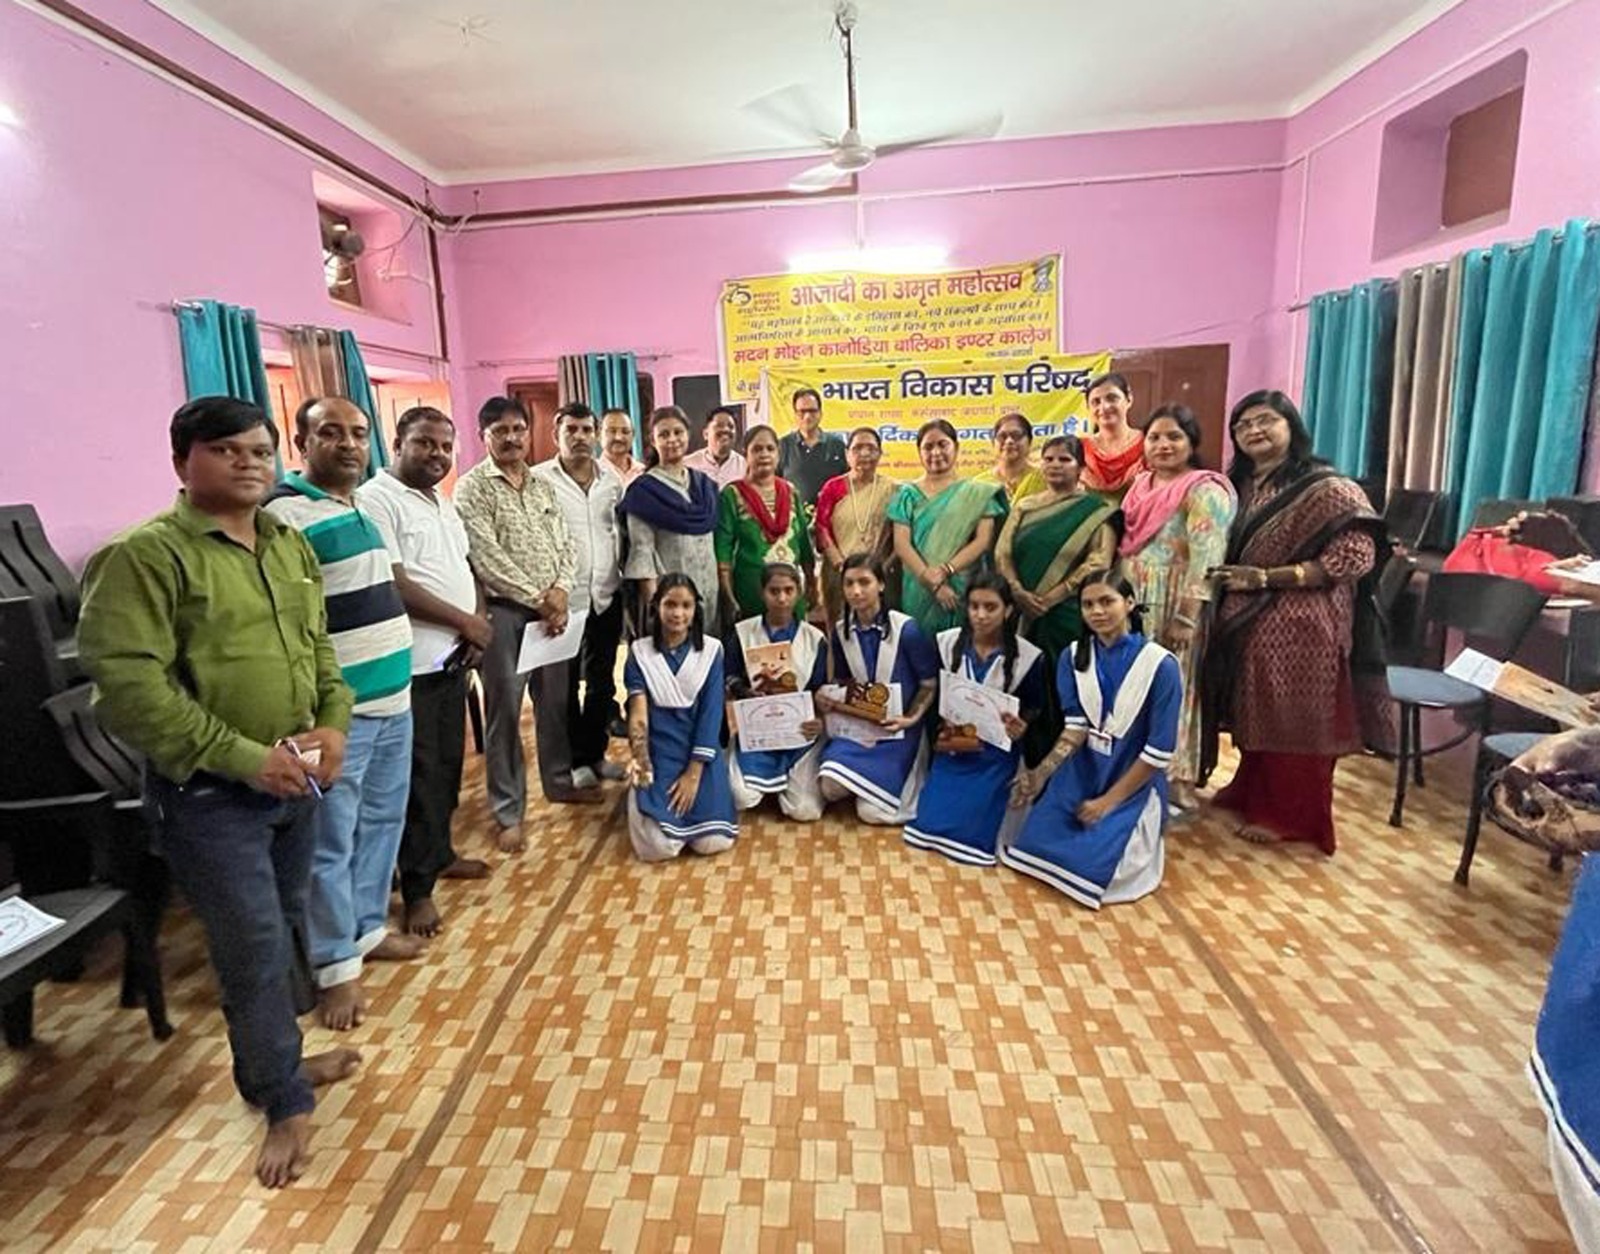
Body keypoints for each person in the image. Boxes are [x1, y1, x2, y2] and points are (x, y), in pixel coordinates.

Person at [78, 397, 359, 1188]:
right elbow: (129, 692)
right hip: (207, 796)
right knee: (253, 946)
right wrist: (243, 758)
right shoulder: (143, 557)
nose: (249, 463)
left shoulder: (287, 544)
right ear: (182, 462)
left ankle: (277, 1065)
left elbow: (319, 651)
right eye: (227, 450)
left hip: (294, 779)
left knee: (286, 924)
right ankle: (283, 1100)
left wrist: (333, 724)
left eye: (260, 451)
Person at [265, 397, 422, 1032]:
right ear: (301, 442)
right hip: (336, 715)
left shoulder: (356, 505)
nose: (349, 444)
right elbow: (289, 625)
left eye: (359, 433)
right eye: (331, 433)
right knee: (329, 841)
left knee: (381, 823)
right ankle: (335, 968)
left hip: (394, 699)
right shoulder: (283, 516)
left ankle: (366, 929)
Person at [1203, 390, 1380, 854]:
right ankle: (1250, 790)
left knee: (1295, 716)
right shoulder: (1239, 484)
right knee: (1256, 708)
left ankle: (1291, 815)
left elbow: (1355, 557)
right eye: (1243, 425)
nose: (1254, 431)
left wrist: (1268, 578)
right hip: (1246, 614)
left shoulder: (1327, 487)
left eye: (1265, 420)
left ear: (1291, 426)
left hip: (1304, 620)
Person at [355, 406, 493, 939]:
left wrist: (476, 621)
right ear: (397, 444)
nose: (437, 454)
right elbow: (393, 583)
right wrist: (465, 622)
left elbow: (465, 567)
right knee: (416, 779)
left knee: (447, 769)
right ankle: (416, 891)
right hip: (410, 668)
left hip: (451, 660)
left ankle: (440, 854)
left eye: (444, 446)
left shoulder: (441, 500)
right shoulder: (376, 500)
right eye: (424, 443)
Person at [455, 396, 596, 854]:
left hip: (553, 614)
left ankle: (559, 783)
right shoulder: (472, 489)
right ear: (483, 436)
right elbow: (485, 558)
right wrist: (540, 599)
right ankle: (508, 811)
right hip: (505, 614)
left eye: (518, 429)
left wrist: (561, 590)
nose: (512, 438)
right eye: (501, 431)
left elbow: (567, 543)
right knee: (505, 713)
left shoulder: (541, 484)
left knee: (555, 704)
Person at [1002, 570, 1181, 908]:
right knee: (1033, 846)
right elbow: (1075, 728)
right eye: (1088, 605)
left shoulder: (1161, 665)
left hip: (1131, 781)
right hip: (1084, 772)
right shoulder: (1072, 657)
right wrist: (1040, 774)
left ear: (1129, 603)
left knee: (1098, 870)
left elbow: (1158, 752)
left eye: (1106, 601)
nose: (1097, 611)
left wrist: (1107, 802)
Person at [1119, 404, 1236, 811]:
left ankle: (1176, 777)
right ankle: (1130, 774)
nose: (1163, 445)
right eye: (1154, 437)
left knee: (1176, 688)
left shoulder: (1204, 489)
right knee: (1136, 686)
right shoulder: (1140, 485)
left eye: (1174, 436)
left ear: (1191, 442)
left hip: (1176, 602)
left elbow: (1208, 559)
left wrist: (1187, 616)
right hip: (1134, 601)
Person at [903, 573, 1046, 866]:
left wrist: (1021, 726)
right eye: (974, 606)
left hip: (996, 752)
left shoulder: (1028, 657)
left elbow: (1034, 706)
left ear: (1008, 610)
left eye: (990, 607)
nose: (980, 615)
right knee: (928, 825)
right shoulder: (947, 643)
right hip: (954, 745)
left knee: (973, 830)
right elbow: (937, 703)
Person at [533, 402, 627, 790]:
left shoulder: (611, 481)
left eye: (587, 430)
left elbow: (617, 533)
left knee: (603, 683)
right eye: (571, 430)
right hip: (562, 602)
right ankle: (573, 761)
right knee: (565, 685)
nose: (580, 437)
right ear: (557, 434)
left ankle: (595, 754)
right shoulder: (539, 480)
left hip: (606, 594)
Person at [809, 553, 941, 824]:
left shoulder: (906, 630)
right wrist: (829, 697)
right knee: (830, 788)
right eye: (849, 583)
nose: (856, 591)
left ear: (881, 584)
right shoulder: (841, 632)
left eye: (864, 582)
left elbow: (929, 683)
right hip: (860, 726)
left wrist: (910, 718)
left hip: (898, 732)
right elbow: (844, 682)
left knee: (870, 813)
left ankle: (872, 787)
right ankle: (863, 783)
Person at [623, 574, 739, 861]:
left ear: (695, 609)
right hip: (659, 753)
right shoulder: (640, 653)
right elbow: (638, 714)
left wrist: (693, 774)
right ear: (656, 607)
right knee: (658, 848)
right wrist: (642, 761)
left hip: (699, 753)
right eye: (670, 604)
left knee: (713, 842)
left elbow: (711, 715)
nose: (678, 613)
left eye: (686, 606)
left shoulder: (711, 651)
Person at [994, 434, 1120, 663]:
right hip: (1019, 609)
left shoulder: (1097, 510)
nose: (1055, 465)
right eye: (1048, 459)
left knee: (1066, 673)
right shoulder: (1024, 507)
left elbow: (1099, 562)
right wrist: (1017, 591)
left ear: (1081, 468)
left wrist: (1051, 598)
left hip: (1067, 614)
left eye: (1064, 459)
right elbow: (1003, 553)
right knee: (1021, 674)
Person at [726, 562, 828, 817]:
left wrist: (820, 720)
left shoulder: (814, 639)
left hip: (799, 735)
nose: (781, 598)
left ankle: (789, 782)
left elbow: (820, 690)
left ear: (799, 593)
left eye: (788, 590)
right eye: (774, 591)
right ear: (762, 593)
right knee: (741, 796)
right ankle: (760, 779)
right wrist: (745, 692)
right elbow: (729, 676)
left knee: (805, 811)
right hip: (757, 732)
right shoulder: (743, 633)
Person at [888, 419, 1007, 635]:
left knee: (958, 645)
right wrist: (930, 581)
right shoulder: (907, 494)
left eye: (942, 444)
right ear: (919, 452)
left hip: (959, 585)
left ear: (956, 447)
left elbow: (983, 540)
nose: (936, 452)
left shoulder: (977, 493)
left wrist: (946, 570)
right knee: (917, 645)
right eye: (928, 447)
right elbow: (901, 543)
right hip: (918, 586)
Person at [620, 405, 722, 627]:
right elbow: (642, 555)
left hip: (709, 594)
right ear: (653, 441)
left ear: (688, 435)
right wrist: (656, 611)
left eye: (678, 432)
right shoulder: (644, 492)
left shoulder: (706, 486)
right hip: (670, 603)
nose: (672, 439)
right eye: (664, 434)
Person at [716, 424, 817, 622]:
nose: (764, 454)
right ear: (745, 454)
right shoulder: (732, 495)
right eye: (757, 449)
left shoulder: (790, 491)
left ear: (778, 454)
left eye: (770, 449)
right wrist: (727, 595)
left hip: (790, 592)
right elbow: (723, 551)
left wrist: (811, 582)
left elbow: (803, 542)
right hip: (751, 591)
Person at [814, 426, 898, 624]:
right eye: (858, 448)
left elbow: (899, 534)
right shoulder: (833, 487)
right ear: (847, 454)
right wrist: (840, 564)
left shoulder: (893, 490)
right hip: (838, 573)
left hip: (879, 572)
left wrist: (881, 567)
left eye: (871, 448)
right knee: (841, 629)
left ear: (880, 454)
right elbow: (821, 528)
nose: (865, 453)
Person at [776, 387, 848, 515]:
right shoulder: (783, 446)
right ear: (795, 414)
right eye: (802, 412)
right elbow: (772, 485)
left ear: (820, 413)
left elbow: (848, 484)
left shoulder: (837, 446)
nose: (807, 416)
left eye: (812, 411)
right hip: (795, 521)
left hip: (831, 519)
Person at [1080, 372, 1146, 501]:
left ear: (1129, 399)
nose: (1104, 407)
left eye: (1112, 398)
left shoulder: (1149, 444)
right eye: (1096, 402)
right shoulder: (1079, 449)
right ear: (1088, 407)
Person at [975, 412, 1046, 505]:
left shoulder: (1044, 478)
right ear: (993, 443)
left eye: (1016, 435)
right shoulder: (979, 484)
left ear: (1030, 442)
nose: (1009, 441)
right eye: (1002, 436)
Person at [684, 405, 747, 488]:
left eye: (731, 426)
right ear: (705, 434)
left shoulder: (744, 467)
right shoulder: (688, 465)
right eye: (719, 425)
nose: (726, 429)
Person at [600, 407, 646, 486]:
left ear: (633, 435)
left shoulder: (644, 472)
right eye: (612, 431)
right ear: (598, 434)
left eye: (625, 431)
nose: (619, 437)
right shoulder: (592, 473)